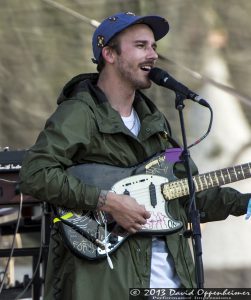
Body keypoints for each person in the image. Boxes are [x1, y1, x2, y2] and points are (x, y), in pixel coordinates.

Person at [20, 12, 251, 300]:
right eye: (141, 46)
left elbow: (186, 196)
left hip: (173, 280)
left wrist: (244, 203)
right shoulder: (81, 112)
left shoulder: (156, 122)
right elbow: (35, 173)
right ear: (109, 54)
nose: (153, 54)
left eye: (154, 47)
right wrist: (108, 201)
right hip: (110, 280)